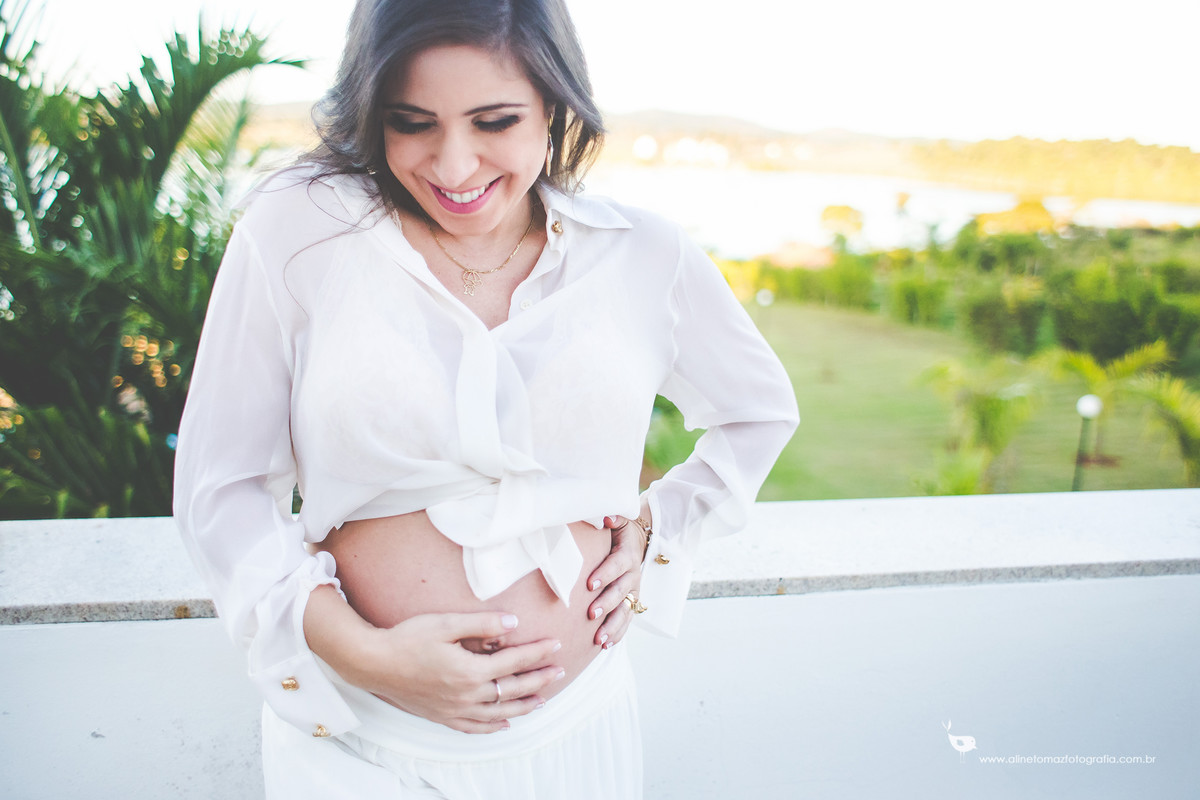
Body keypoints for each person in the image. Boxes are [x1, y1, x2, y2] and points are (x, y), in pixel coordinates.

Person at [173, 0, 798, 797]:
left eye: (494, 120)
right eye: (412, 122)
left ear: (554, 106)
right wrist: (365, 654)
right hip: (359, 744)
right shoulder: (299, 230)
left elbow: (758, 414)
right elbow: (218, 490)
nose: (455, 164)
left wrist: (657, 529)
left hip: (580, 740)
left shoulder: (642, 254)